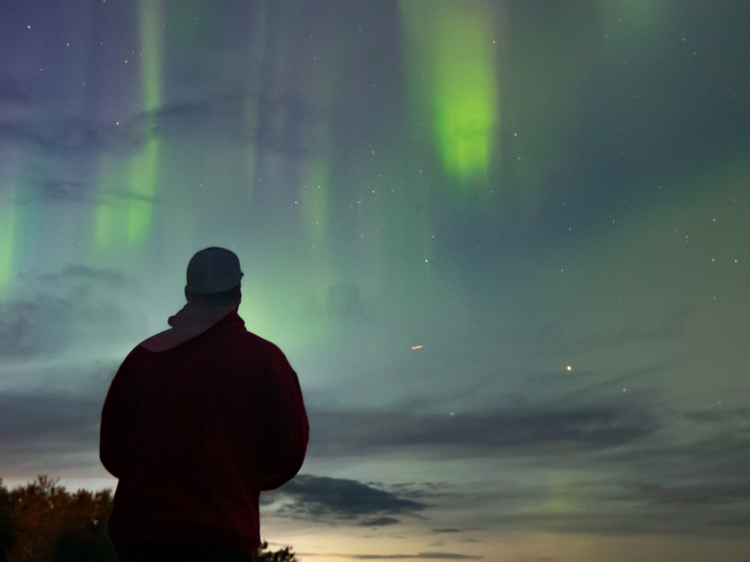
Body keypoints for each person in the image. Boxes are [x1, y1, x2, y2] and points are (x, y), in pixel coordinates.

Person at [100, 247, 309, 562]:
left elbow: (113, 452)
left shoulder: (143, 358)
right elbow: (288, 455)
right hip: (223, 542)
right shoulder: (265, 361)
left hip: (139, 543)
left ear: (188, 292)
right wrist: (238, 479)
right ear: (238, 294)